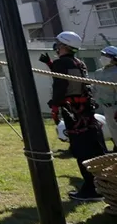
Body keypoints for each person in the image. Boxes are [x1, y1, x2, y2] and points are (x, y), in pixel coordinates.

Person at [42, 31, 107, 202]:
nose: (56, 48)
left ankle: (91, 189)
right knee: (95, 147)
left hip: (74, 113)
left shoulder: (61, 63)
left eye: (58, 44)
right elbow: (70, 79)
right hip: (86, 111)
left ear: (64, 46)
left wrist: (55, 105)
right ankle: (105, 184)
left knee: (82, 150)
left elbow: (61, 85)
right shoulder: (79, 62)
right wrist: (50, 64)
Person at [93, 45, 117, 152]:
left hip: (116, 106)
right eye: (102, 55)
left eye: (106, 55)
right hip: (106, 107)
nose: (103, 57)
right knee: (113, 131)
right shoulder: (98, 73)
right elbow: (95, 89)